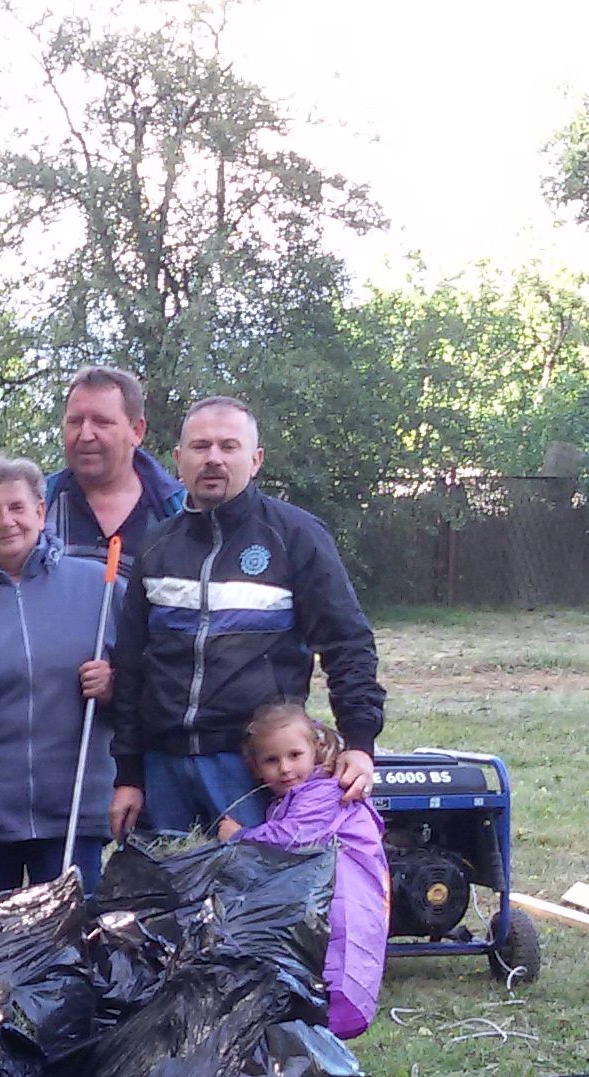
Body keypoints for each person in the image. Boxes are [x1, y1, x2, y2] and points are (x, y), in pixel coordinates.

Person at [108, 396, 384, 839]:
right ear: (179, 461)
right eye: (200, 447)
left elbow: (347, 643)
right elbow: (130, 665)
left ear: (255, 460)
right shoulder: (156, 546)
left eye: (228, 446)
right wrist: (129, 773)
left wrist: (359, 742)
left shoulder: (296, 536)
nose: (213, 458)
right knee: (165, 902)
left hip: (255, 769)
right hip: (163, 770)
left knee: (256, 903)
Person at [0, 456, 116, 891]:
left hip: (71, 813)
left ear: (40, 513)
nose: (6, 522)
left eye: (17, 508)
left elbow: (145, 687)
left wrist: (114, 686)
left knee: (72, 948)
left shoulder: (100, 587)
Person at [218, 701, 389, 1040]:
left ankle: (331, 1033)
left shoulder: (326, 791)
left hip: (345, 894)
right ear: (255, 768)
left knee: (343, 961)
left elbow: (294, 838)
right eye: (272, 760)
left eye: (294, 755)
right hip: (329, 894)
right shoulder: (292, 798)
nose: (284, 768)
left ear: (316, 750)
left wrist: (239, 837)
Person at [45, 366, 185, 559]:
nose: (85, 435)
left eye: (101, 422)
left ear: (136, 431)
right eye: (75, 422)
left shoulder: (176, 513)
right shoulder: (40, 507)